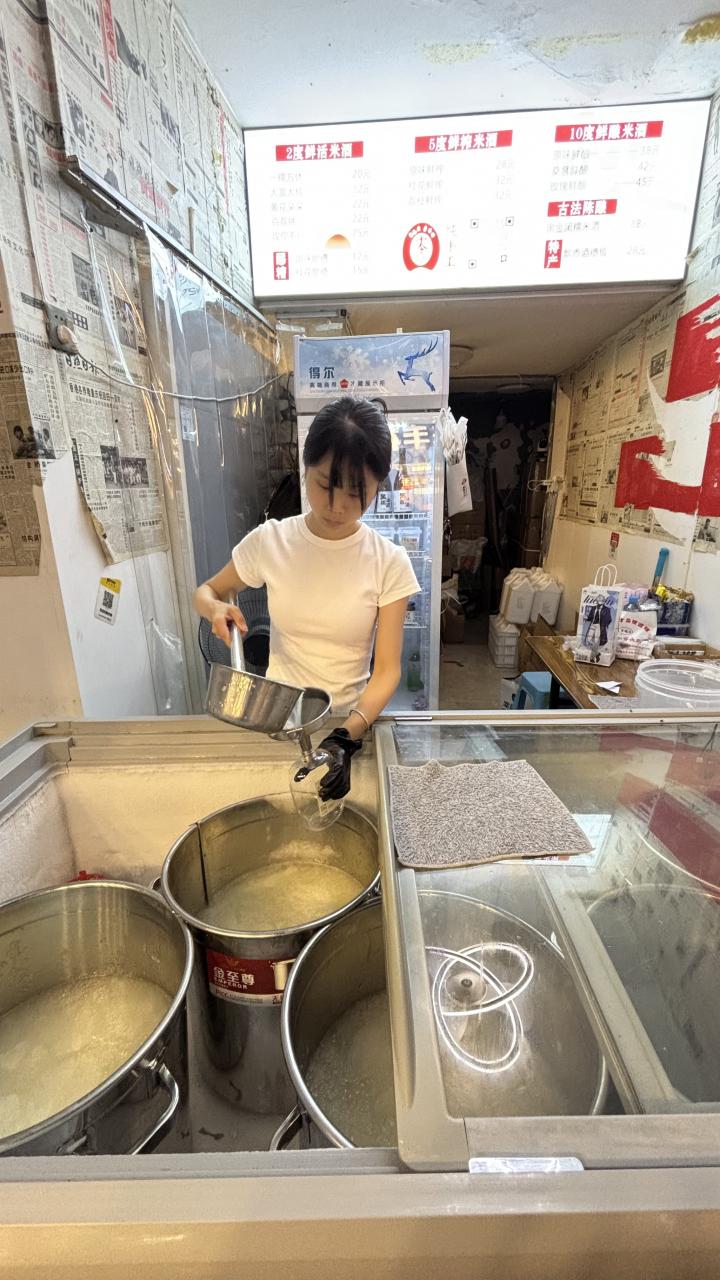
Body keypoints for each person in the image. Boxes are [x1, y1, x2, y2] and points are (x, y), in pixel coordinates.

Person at [194, 397, 420, 801]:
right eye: (325, 486)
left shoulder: (389, 562)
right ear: (305, 467)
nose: (338, 506)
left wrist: (345, 737)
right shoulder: (271, 541)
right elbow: (207, 591)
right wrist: (214, 607)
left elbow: (387, 671)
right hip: (278, 725)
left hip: (349, 725)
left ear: (378, 484)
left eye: (357, 492)